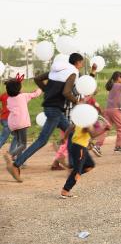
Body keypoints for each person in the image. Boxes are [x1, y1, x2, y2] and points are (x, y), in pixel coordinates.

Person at [5, 53, 84, 182]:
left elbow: (37, 79)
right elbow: (66, 92)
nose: (81, 65)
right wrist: (77, 101)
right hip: (55, 110)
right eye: (82, 62)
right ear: (77, 63)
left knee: (72, 132)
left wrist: (48, 90)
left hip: (50, 108)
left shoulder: (57, 70)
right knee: (42, 140)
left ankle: (71, 163)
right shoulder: (72, 73)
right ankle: (16, 164)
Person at [60, 121, 109, 199]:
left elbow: (70, 127)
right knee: (77, 172)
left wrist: (64, 138)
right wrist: (104, 129)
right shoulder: (87, 122)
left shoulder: (79, 120)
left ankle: (74, 173)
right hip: (79, 148)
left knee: (90, 165)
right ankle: (65, 191)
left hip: (79, 146)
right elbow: (93, 135)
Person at [4, 75, 42, 161]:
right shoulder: (23, 96)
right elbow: (35, 94)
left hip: (12, 124)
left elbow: (23, 96)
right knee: (23, 144)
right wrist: (40, 88)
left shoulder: (9, 99)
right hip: (21, 123)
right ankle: (11, 154)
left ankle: (18, 159)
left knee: (19, 142)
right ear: (18, 89)